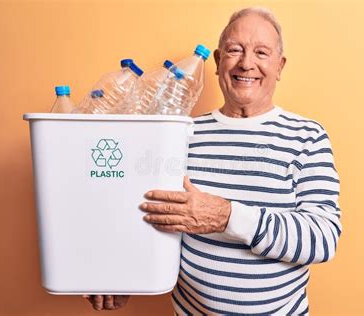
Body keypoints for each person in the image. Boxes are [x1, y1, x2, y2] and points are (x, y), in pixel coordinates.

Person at [84, 6, 342, 315]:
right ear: (219, 62)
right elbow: (152, 210)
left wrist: (228, 217)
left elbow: (322, 238)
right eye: (235, 50)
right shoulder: (180, 133)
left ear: (280, 66)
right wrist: (123, 274)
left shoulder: (307, 136)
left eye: (261, 53)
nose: (247, 64)